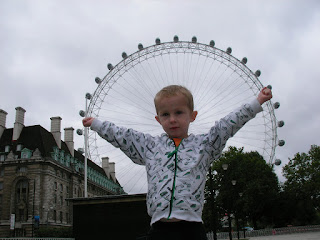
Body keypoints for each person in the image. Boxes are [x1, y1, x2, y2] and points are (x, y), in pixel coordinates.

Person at [82, 85, 272, 240]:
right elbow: (124, 136)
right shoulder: (151, 147)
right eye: (165, 115)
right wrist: (97, 124)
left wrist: (257, 102)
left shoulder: (204, 146)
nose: (172, 119)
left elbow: (228, 124)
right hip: (159, 227)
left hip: (192, 229)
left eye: (179, 112)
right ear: (158, 119)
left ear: (192, 115)